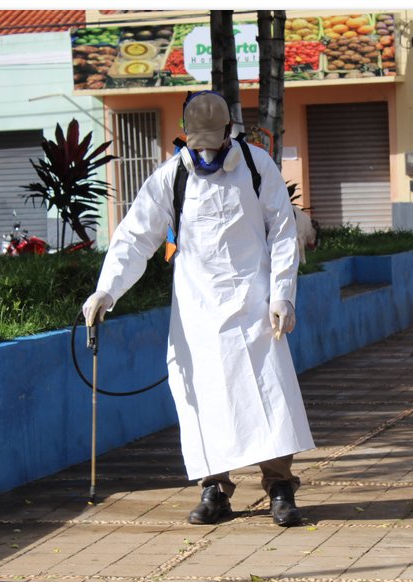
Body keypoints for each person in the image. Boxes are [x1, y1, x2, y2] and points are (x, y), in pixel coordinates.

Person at [82, 91, 315, 527]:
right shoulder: (171, 176)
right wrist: (106, 291)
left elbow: (283, 231)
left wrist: (283, 294)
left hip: (254, 305)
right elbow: (135, 237)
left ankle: (280, 486)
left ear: (229, 132)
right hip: (198, 311)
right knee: (202, 398)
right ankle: (214, 488)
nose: (206, 151)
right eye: (198, 143)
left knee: (269, 393)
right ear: (186, 137)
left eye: (214, 141)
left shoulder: (256, 165)